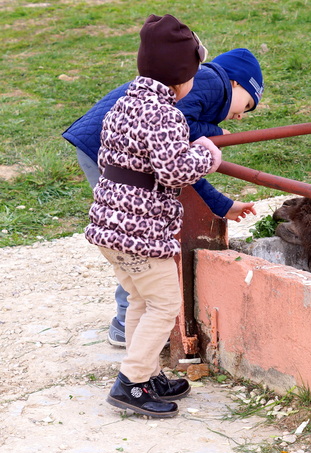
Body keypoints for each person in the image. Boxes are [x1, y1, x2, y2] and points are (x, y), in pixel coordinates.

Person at [63, 47, 264, 348]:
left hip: (105, 147)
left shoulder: (203, 88)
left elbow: (183, 169)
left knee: (130, 238)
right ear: (234, 83)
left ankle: (131, 323)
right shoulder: (210, 81)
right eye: (246, 104)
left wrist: (222, 204)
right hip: (103, 150)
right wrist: (214, 133)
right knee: (132, 238)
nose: (240, 115)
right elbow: (178, 126)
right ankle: (126, 322)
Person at [85, 14, 223, 418]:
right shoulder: (164, 115)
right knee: (163, 305)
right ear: (181, 77)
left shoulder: (125, 103)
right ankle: (130, 384)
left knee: (142, 302)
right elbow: (175, 170)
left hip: (111, 229)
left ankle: (147, 374)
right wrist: (207, 154)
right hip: (140, 232)